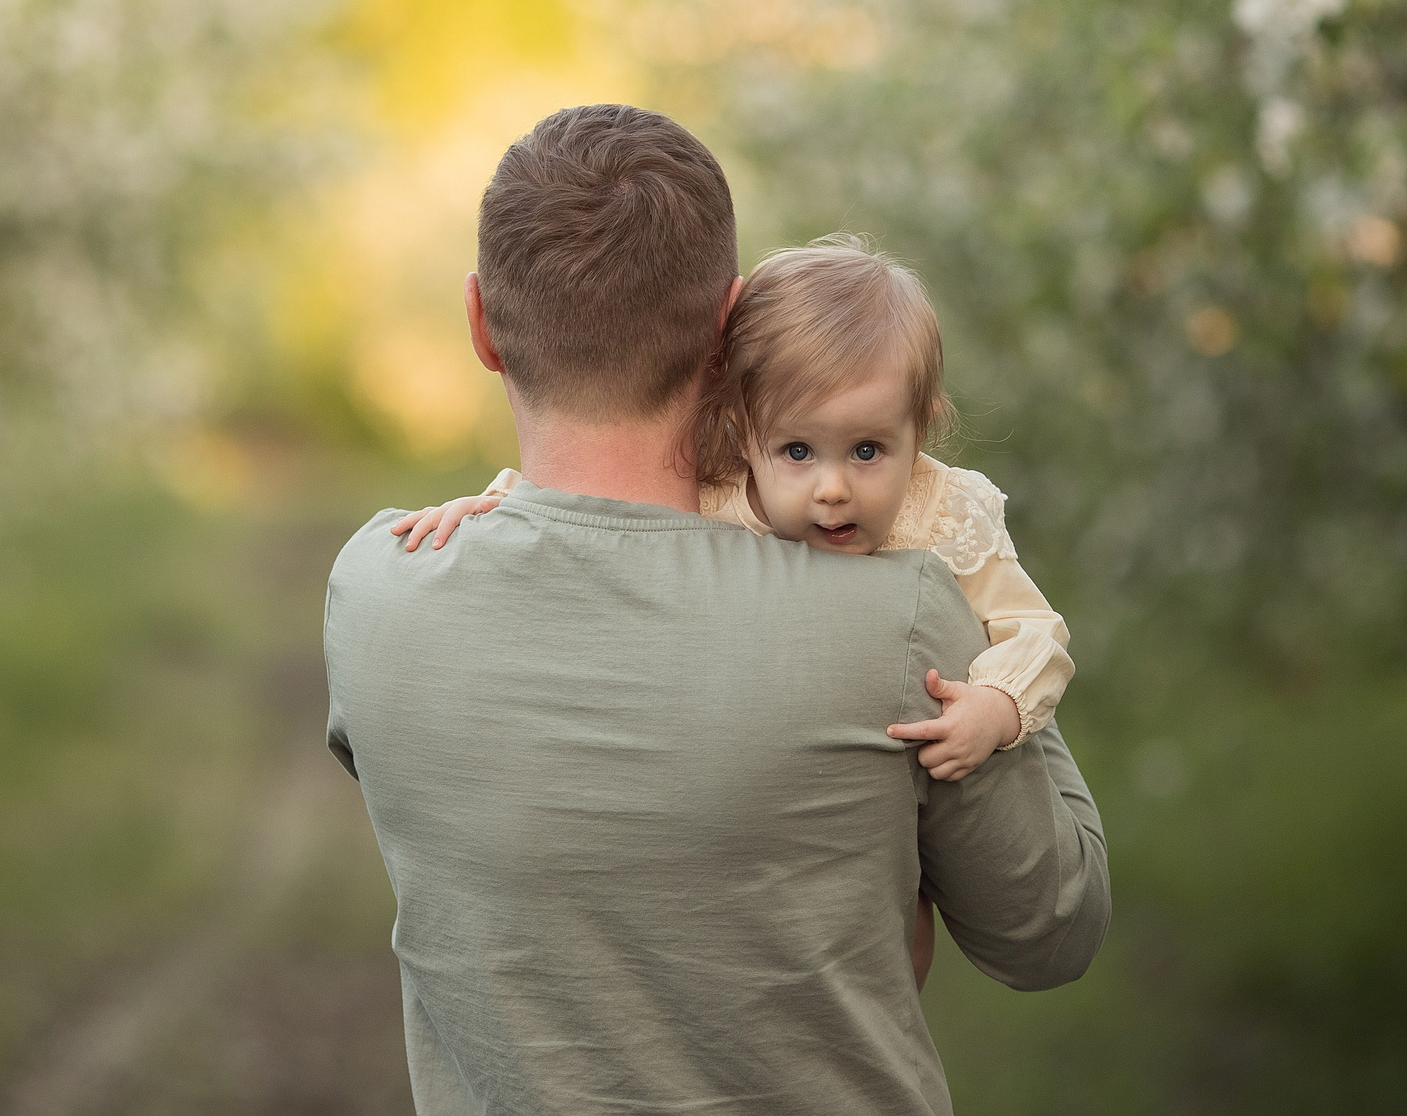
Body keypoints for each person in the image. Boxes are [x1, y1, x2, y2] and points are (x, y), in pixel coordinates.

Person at [323, 102, 1111, 1116]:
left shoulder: (377, 589)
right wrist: (971, 592)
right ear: (730, 322)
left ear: (482, 323)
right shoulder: (899, 609)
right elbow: (1050, 925)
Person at [387, 234, 1075, 988]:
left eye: (870, 450)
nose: (834, 489)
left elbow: (1034, 631)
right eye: (799, 451)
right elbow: (594, 507)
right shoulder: (717, 492)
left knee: (894, 936)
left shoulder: (943, 512)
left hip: (885, 773)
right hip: (772, 768)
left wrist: (998, 706)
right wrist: (492, 504)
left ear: (921, 426)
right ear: (748, 433)